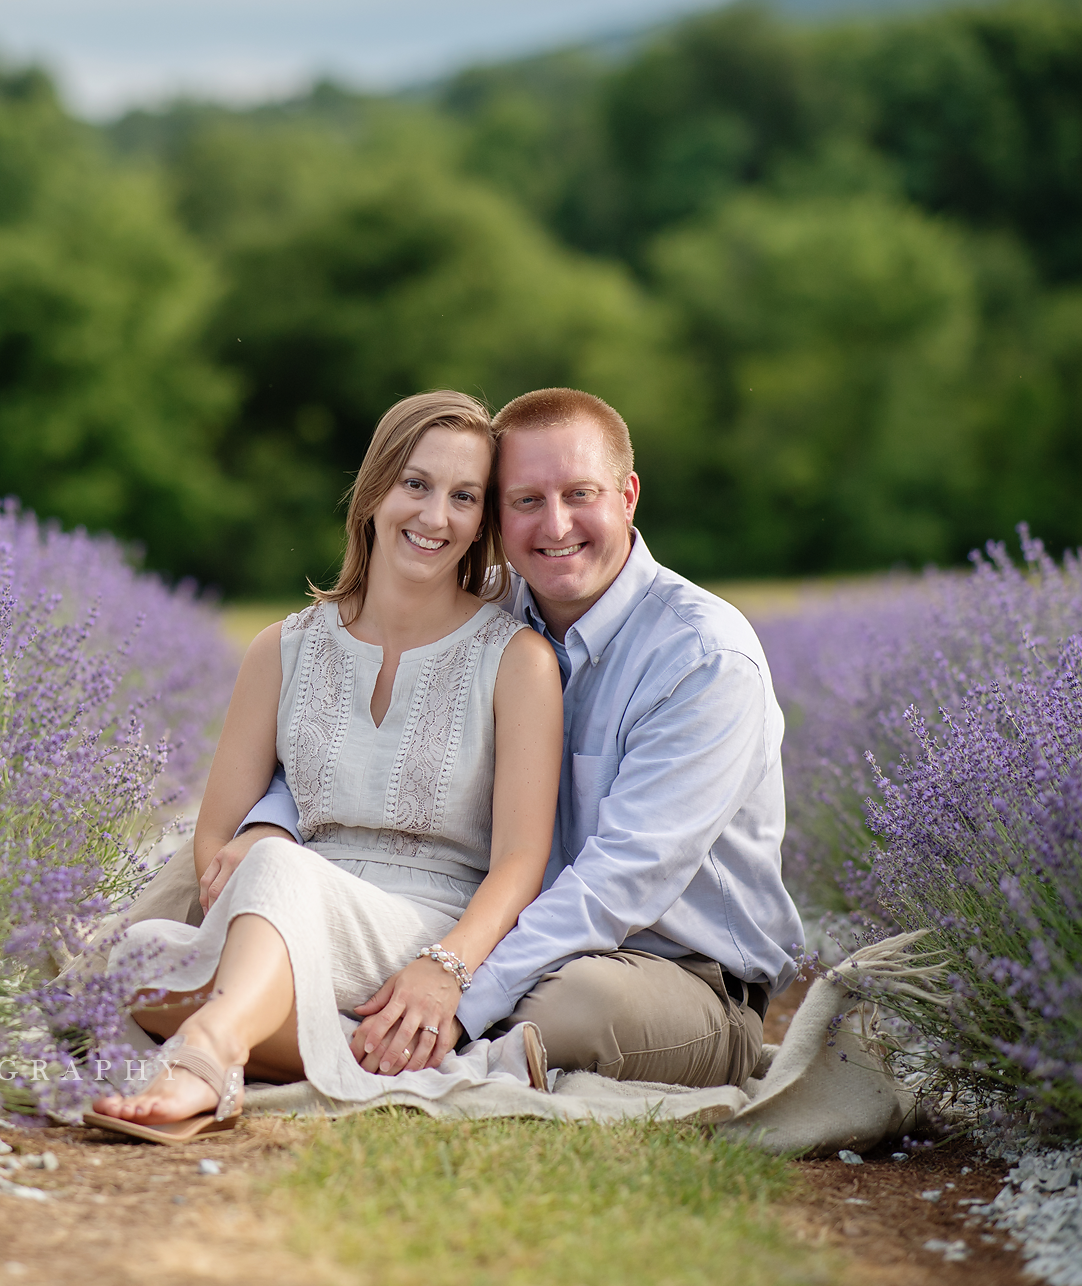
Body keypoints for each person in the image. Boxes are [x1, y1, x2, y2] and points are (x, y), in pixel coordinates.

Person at [222, 387, 804, 1089]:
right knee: (212, 874)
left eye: (579, 493)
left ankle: (355, 1039)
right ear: (497, 515)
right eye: (526, 500)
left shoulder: (703, 658)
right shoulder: (486, 610)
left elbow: (620, 882)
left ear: (628, 494)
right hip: (501, 937)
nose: (555, 524)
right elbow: (335, 729)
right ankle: (229, 1010)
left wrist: (457, 984)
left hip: (672, 969)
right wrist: (269, 829)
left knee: (569, 1008)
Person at [88, 390, 563, 1142]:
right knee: (130, 958)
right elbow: (215, 839)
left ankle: (209, 1052)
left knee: (277, 865)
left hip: (422, 928)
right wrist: (252, 867)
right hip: (282, 914)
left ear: (484, 521)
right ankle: (366, 1051)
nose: (436, 516)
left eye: (464, 496)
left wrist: (448, 965)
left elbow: (519, 861)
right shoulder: (283, 647)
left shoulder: (517, 661)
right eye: (417, 483)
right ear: (374, 489)